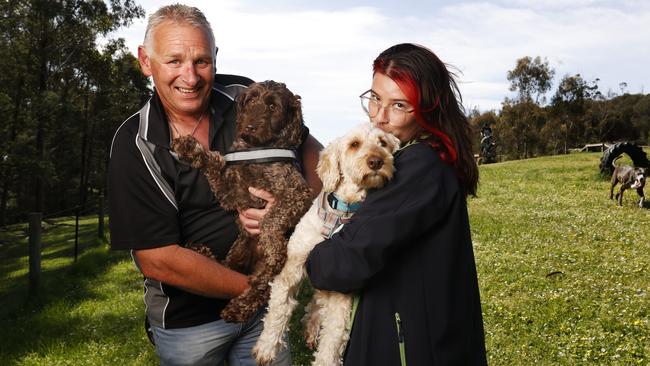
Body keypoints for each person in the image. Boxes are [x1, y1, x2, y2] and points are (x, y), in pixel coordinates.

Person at [107, 4, 321, 366]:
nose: (190, 77)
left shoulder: (244, 95)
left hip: (262, 315)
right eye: (174, 61)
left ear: (216, 58)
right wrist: (259, 289)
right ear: (146, 61)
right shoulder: (134, 145)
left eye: (201, 62)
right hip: (190, 327)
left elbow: (319, 161)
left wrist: (287, 215)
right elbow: (157, 259)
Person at [306, 43, 487, 365]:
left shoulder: (419, 166)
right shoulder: (426, 157)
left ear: (427, 109)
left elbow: (344, 263)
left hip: (407, 346)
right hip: (426, 337)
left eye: (399, 105)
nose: (380, 116)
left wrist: (308, 252)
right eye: (375, 98)